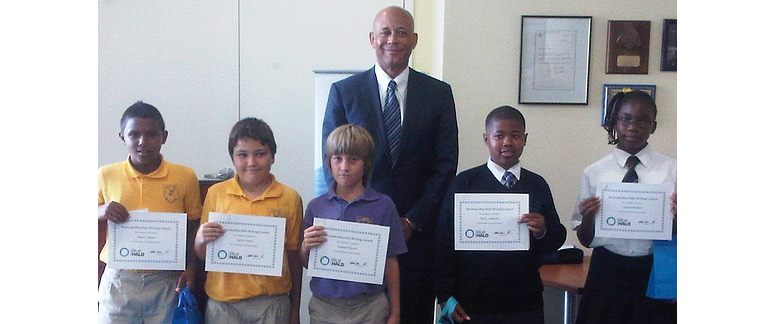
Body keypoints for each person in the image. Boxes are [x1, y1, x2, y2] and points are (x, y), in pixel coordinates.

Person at [321, 6, 458, 323]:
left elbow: (445, 166)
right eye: (385, 32)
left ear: (414, 40)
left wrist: (411, 222)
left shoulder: (439, 94)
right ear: (372, 39)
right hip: (357, 234)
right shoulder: (344, 92)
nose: (392, 39)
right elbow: (332, 159)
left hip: (417, 240)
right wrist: (359, 214)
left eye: (401, 32)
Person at [434, 106, 566, 324]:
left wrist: (543, 231)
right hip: (471, 300)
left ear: (525, 139)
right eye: (499, 136)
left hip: (524, 302)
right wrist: (444, 295)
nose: (507, 142)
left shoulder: (537, 184)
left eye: (515, 136)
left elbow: (556, 239)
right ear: (487, 139)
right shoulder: (464, 183)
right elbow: (442, 243)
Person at [571, 89, 677, 324]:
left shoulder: (673, 171)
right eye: (626, 119)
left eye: (642, 121)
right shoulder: (595, 172)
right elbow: (586, 240)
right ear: (615, 123)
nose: (633, 126)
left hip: (654, 267)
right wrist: (588, 217)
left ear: (654, 126)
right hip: (607, 269)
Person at [97, 101, 203, 324]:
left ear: (164, 137)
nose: (142, 142)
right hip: (119, 279)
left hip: (166, 280)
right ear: (122, 137)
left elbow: (194, 225)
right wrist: (101, 210)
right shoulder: (106, 174)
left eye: (151, 134)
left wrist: (191, 269)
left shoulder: (184, 176)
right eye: (134, 134)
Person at [193, 118, 303, 324]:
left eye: (260, 154)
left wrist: (295, 310)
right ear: (233, 159)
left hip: (272, 303)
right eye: (242, 155)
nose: (251, 162)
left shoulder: (290, 198)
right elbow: (204, 254)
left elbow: (294, 257)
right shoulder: (216, 194)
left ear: (272, 157)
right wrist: (200, 240)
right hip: (223, 304)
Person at [301, 124, 407, 324]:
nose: (344, 166)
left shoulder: (383, 205)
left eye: (353, 159)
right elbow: (306, 263)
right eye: (337, 158)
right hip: (325, 307)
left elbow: (391, 262)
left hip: (371, 306)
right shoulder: (317, 207)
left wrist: (395, 312)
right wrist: (305, 247)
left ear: (366, 163)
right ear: (328, 162)